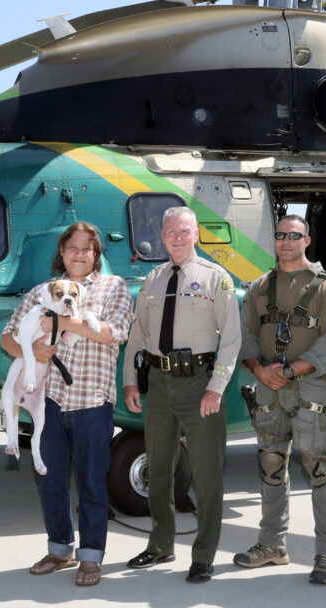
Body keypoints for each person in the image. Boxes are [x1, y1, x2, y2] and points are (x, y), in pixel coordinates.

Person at [0, 223, 133, 587]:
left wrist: (62, 320)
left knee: (93, 482)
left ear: (96, 255)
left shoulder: (114, 287)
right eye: (72, 247)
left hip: (93, 400)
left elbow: (114, 332)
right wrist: (34, 350)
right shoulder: (40, 292)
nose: (79, 254)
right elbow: (8, 338)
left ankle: (91, 558)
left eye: (87, 249)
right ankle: (60, 549)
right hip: (49, 400)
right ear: (62, 252)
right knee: (50, 479)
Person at [122, 206, 240, 583]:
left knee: (206, 475)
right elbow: (137, 334)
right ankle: (160, 544)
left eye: (184, 230)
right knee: (158, 469)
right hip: (158, 383)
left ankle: (203, 554)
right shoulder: (153, 279)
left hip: (198, 382)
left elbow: (232, 340)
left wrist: (216, 388)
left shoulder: (214, 278)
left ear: (196, 235)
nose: (176, 236)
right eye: (170, 230)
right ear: (161, 235)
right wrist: (129, 380)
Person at [233, 215, 326, 585]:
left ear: (307, 241)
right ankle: (272, 545)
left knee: (321, 471)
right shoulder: (259, 287)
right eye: (280, 235)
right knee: (271, 466)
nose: (285, 241)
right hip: (269, 386)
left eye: (293, 236)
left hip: (312, 386)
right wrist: (258, 369)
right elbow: (247, 334)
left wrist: (291, 370)